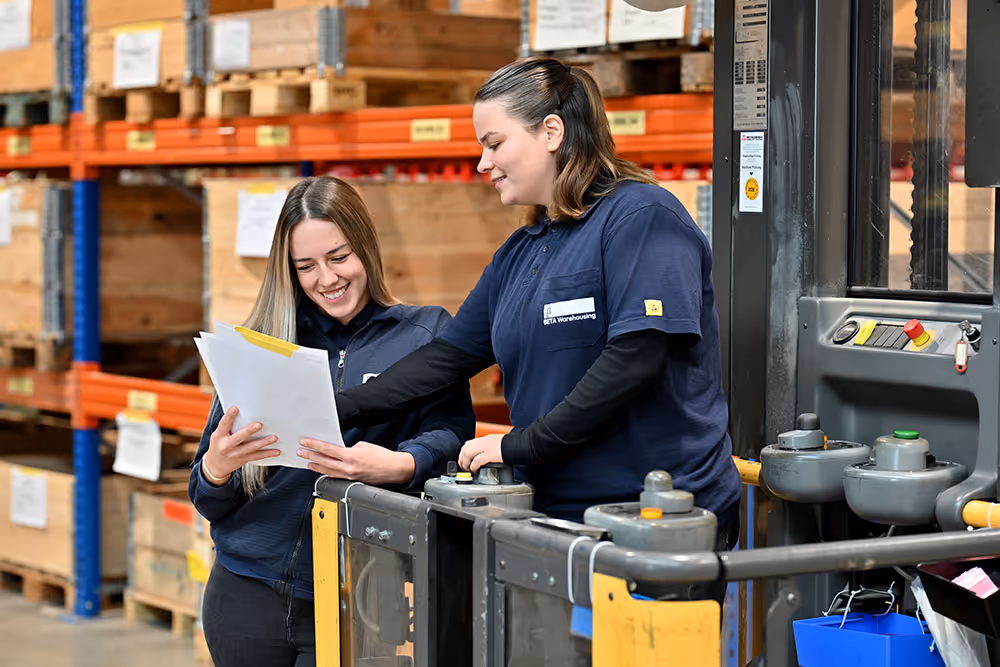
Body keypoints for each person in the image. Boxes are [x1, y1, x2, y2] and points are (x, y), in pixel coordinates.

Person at [337, 56, 741, 544]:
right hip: (554, 516)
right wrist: (339, 407)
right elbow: (446, 359)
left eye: (494, 143)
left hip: (654, 519)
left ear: (551, 132)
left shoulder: (642, 218)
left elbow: (637, 357)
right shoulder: (522, 252)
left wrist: (522, 445)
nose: (483, 162)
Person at [188, 176, 475, 667]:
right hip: (245, 593)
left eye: (339, 257)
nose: (326, 279)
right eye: (306, 266)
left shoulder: (423, 335)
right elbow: (207, 497)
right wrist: (216, 468)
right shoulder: (263, 344)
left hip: (358, 594)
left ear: (365, 245)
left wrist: (404, 464)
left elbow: (453, 438)